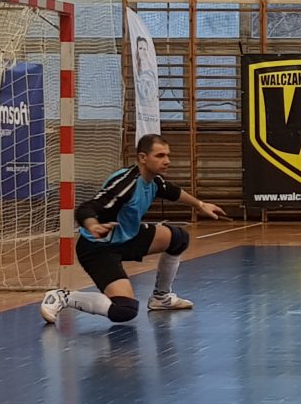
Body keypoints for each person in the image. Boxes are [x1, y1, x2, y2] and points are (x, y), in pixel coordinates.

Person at [42, 133, 226, 324]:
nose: (167, 161)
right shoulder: (126, 183)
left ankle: (161, 297)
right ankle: (63, 297)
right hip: (98, 248)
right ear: (142, 158)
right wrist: (93, 225)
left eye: (168, 155)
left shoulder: (154, 180)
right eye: (160, 156)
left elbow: (173, 191)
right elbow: (86, 208)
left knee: (178, 238)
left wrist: (200, 205)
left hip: (128, 238)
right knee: (125, 310)